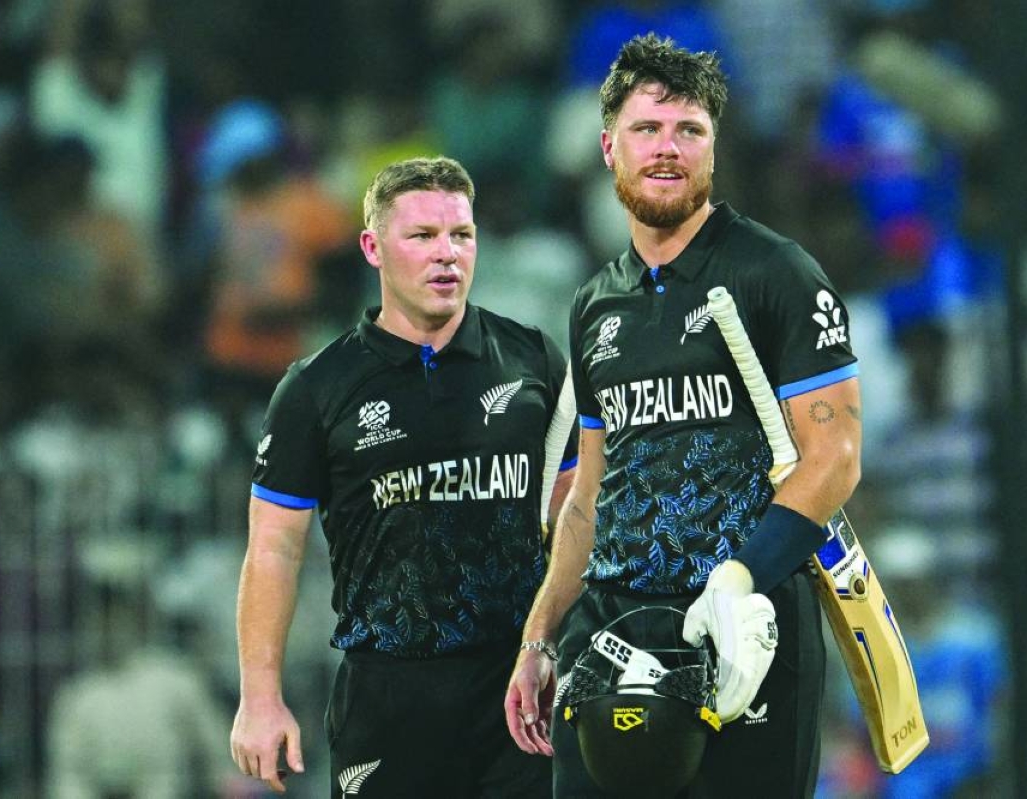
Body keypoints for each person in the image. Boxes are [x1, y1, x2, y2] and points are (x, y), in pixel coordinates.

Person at [505, 35, 862, 796]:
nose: (667, 149)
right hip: (612, 636)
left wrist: (739, 579)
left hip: (747, 632)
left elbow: (835, 456)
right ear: (609, 147)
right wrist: (538, 636)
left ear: (714, 149)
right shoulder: (596, 302)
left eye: (688, 131)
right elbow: (586, 501)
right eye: (647, 129)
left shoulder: (778, 275)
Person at [230, 156, 575, 797]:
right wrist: (260, 698)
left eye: (460, 235)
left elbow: (574, 518)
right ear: (374, 247)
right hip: (388, 696)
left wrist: (559, 647)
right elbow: (273, 548)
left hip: (521, 687)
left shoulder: (533, 359)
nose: (447, 254)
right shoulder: (317, 387)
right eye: (422, 236)